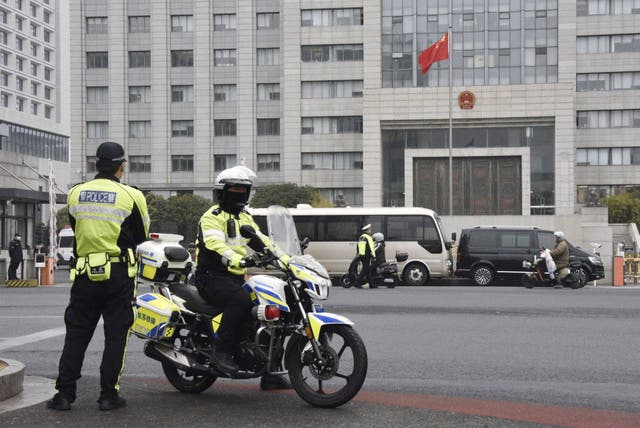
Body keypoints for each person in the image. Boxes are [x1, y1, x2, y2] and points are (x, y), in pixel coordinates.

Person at [47, 142, 150, 411]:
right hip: (118, 276)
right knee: (116, 335)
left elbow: (77, 225)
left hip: (84, 275)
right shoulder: (131, 196)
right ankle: (108, 395)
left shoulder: (76, 193)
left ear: (96, 164)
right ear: (121, 166)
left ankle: (64, 395)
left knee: (77, 334)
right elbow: (141, 236)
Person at [194, 165, 291, 391]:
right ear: (222, 191)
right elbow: (216, 246)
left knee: (273, 310)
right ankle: (221, 349)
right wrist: (237, 260)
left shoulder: (244, 217)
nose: (239, 193)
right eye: (234, 189)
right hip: (211, 277)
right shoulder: (211, 217)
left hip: (235, 277)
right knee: (240, 300)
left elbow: (262, 240)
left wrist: (287, 260)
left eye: (243, 189)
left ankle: (270, 371)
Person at [354, 224, 376, 288]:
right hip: (367, 256)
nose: (371, 231)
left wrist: (357, 256)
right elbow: (372, 248)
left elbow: (358, 247)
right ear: (367, 231)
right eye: (370, 230)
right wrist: (374, 257)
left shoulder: (361, 237)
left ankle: (371, 284)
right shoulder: (369, 237)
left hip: (361, 255)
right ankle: (357, 283)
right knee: (365, 270)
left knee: (367, 270)